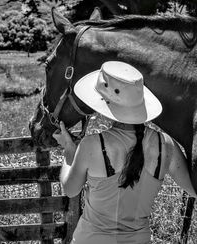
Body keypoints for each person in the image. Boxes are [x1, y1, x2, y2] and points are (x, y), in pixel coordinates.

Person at [53, 61, 197, 244]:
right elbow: (194, 190)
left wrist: (68, 150)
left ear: (105, 103)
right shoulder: (166, 145)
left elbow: (70, 189)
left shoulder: (91, 145)